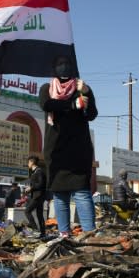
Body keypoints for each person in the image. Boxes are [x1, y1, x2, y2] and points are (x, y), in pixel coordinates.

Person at [39, 55, 98, 238]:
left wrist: (87, 92)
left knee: (82, 192)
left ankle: (89, 234)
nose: (63, 67)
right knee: (60, 195)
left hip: (78, 150)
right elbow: (47, 104)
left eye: (67, 64)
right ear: (54, 68)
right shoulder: (47, 89)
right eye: (59, 64)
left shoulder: (81, 88)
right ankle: (64, 234)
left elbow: (92, 114)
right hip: (55, 151)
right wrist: (72, 104)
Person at [25, 156, 47, 237]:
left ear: (32, 162)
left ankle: (35, 230)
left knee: (27, 211)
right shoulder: (35, 172)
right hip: (38, 195)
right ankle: (43, 233)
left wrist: (31, 187)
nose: (28, 164)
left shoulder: (39, 172)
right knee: (39, 215)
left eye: (28, 163)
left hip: (38, 196)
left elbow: (41, 184)